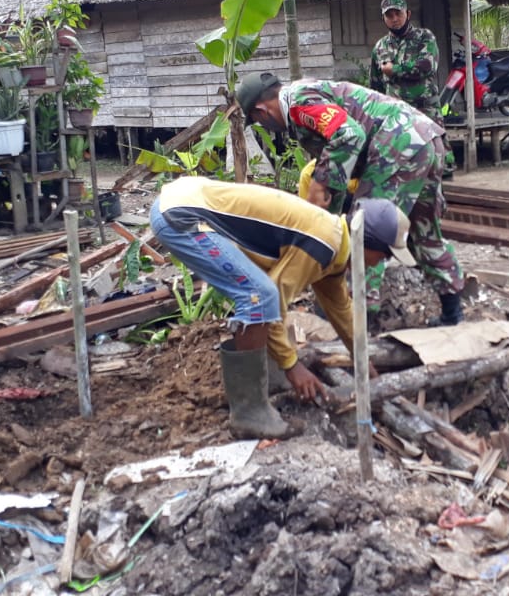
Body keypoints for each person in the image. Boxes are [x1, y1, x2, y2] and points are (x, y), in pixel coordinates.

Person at [151, 176, 415, 439]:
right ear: (366, 241)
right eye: (386, 253)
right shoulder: (323, 243)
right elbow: (273, 300)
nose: (383, 261)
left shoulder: (335, 248)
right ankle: (250, 413)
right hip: (182, 217)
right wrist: (293, 366)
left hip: (184, 202)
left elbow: (341, 310)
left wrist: (362, 358)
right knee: (258, 296)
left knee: (261, 293)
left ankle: (266, 377)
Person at [236, 74, 466, 327]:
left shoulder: (298, 104)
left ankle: (359, 322)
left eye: (257, 120)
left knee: (365, 231)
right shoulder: (306, 92)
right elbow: (343, 159)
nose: (263, 125)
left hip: (396, 144)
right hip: (424, 139)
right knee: (424, 231)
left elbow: (349, 135)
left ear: (261, 111)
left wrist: (320, 182)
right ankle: (452, 314)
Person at [369, 0, 440, 113]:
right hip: (396, 115)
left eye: (398, 13)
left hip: (425, 112)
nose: (395, 19)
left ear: (408, 14)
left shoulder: (424, 37)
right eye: (389, 15)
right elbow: (375, 86)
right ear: (383, 18)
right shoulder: (380, 46)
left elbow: (426, 67)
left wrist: (394, 69)